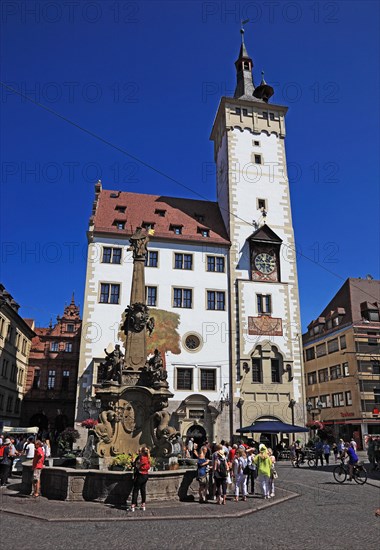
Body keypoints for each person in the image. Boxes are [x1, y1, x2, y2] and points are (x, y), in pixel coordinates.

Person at [131, 445, 151, 511]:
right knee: (143, 490)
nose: (138, 452)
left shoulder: (140, 458)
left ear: (141, 452)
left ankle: (133, 505)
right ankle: (143, 505)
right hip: (146, 475)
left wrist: (132, 461)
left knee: (135, 490)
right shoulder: (148, 457)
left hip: (140, 475)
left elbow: (135, 465)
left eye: (139, 451)